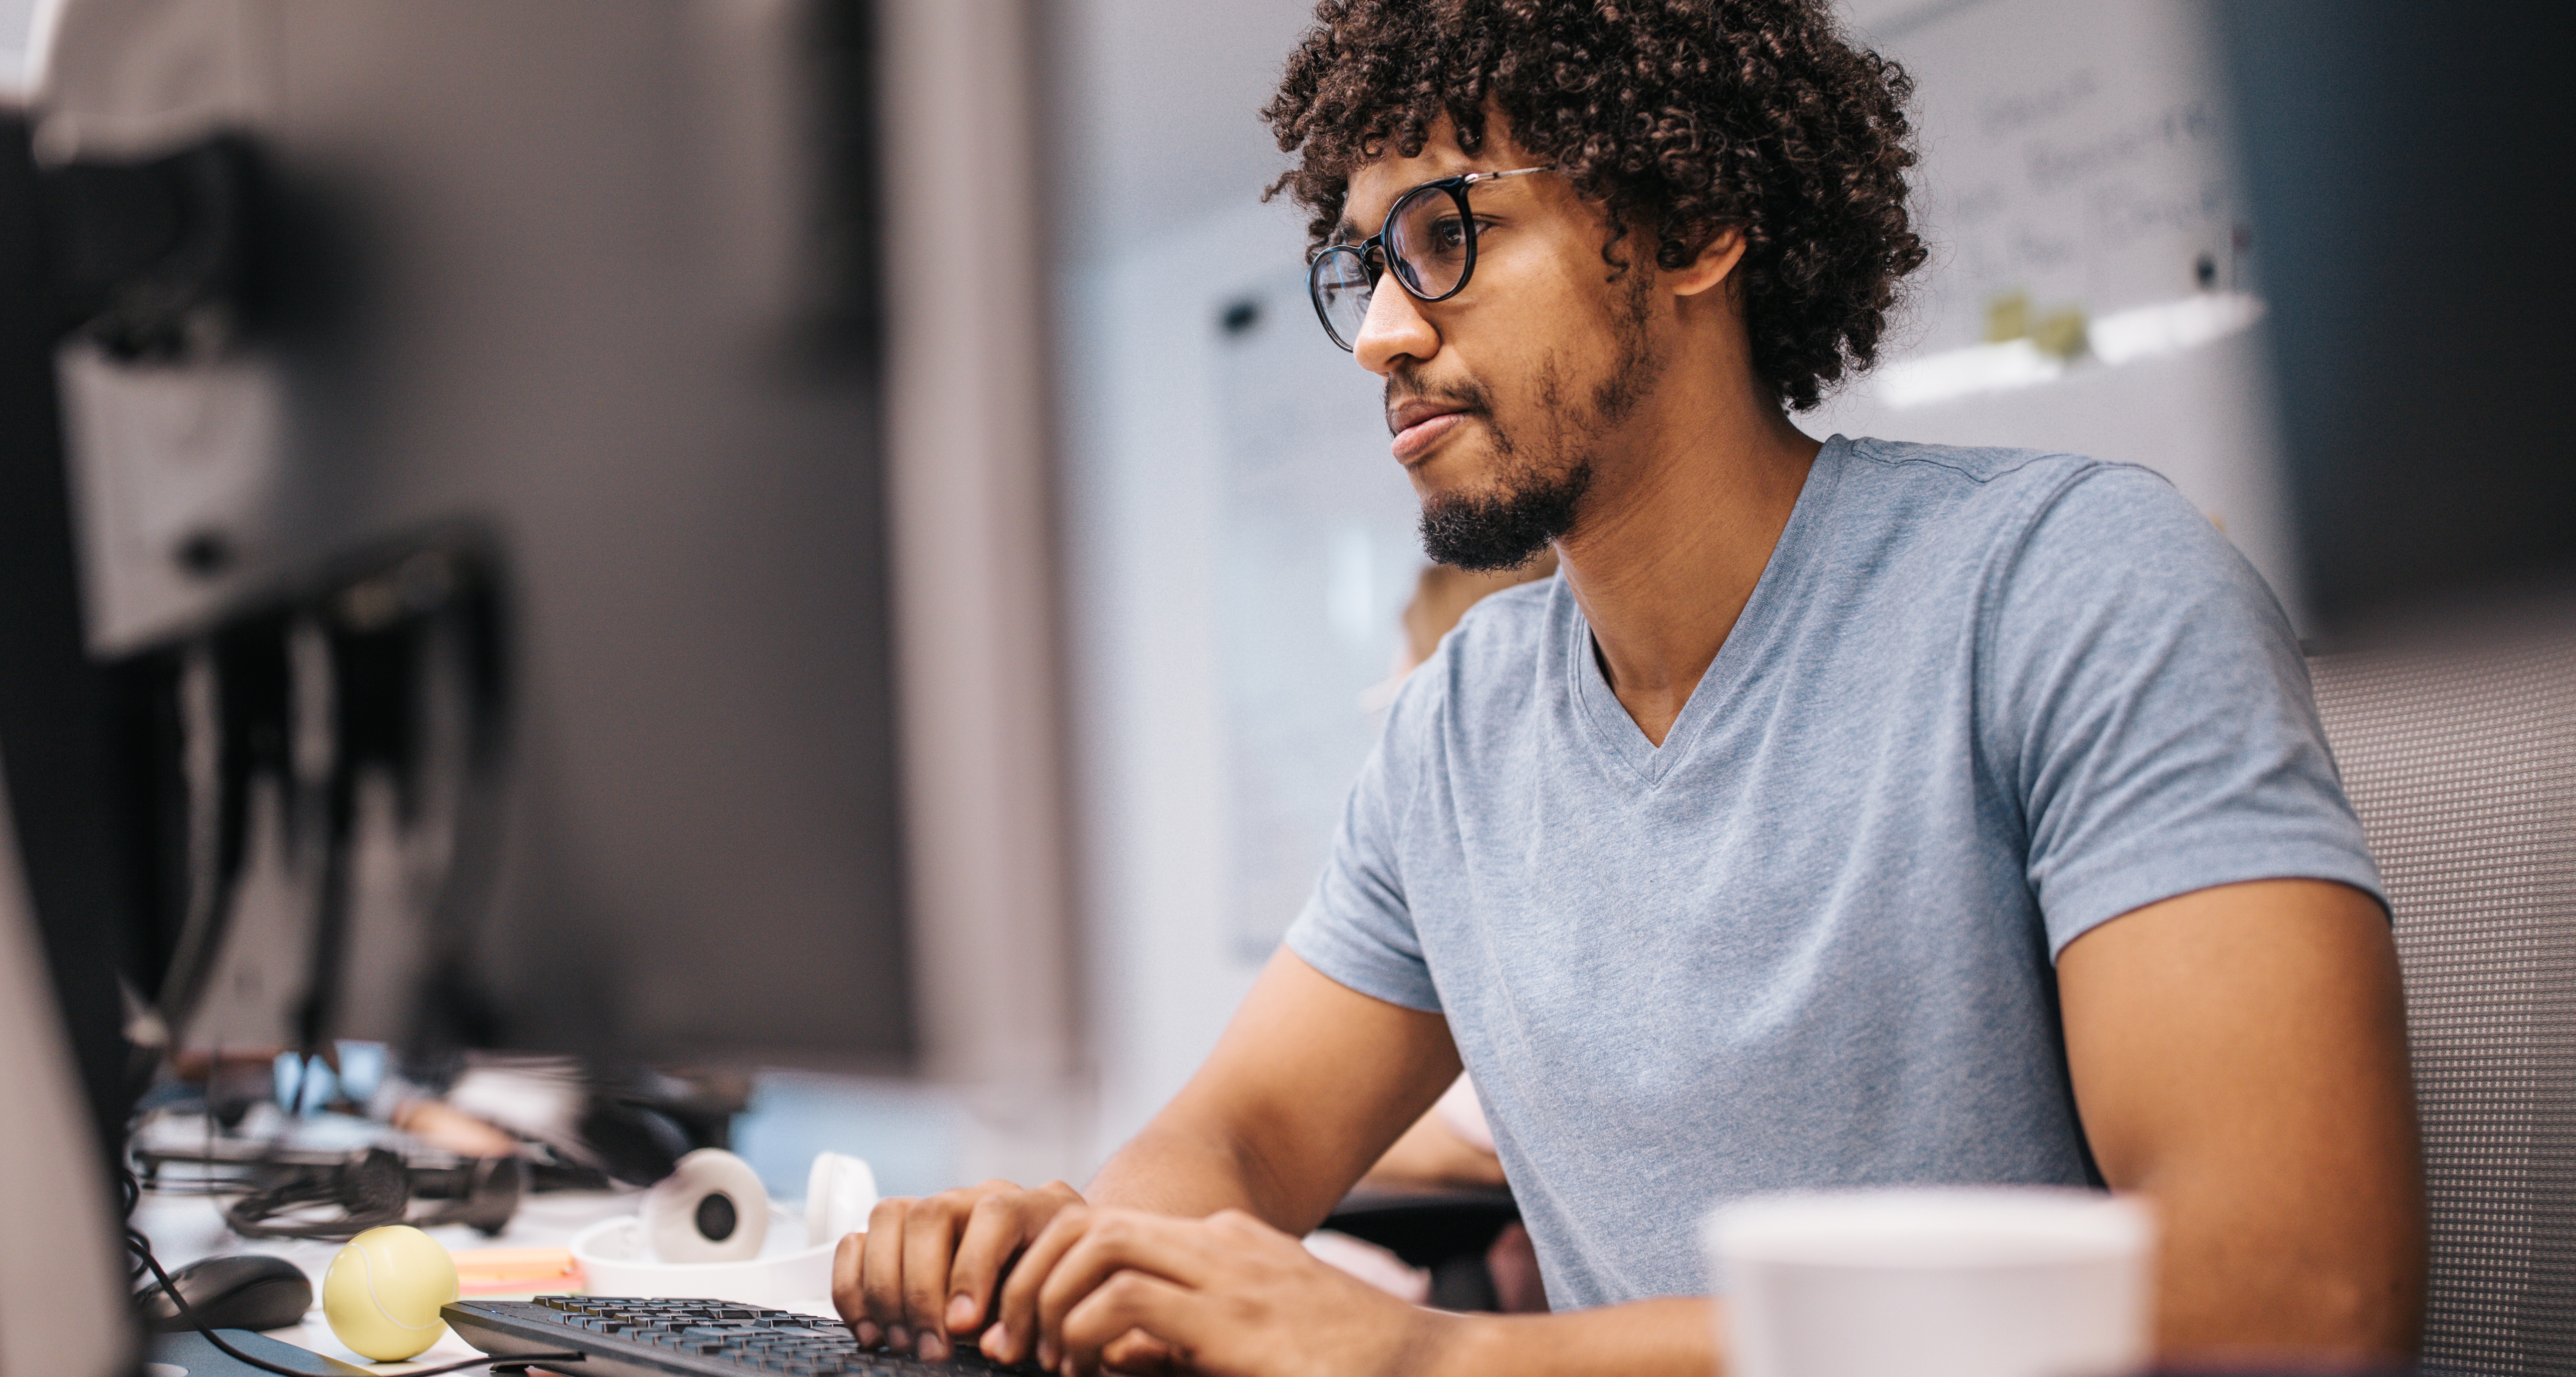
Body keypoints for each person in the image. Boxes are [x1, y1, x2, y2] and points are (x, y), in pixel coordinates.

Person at [834, 2, 2423, 1375]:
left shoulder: (2072, 588)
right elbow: (1234, 1143)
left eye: (1447, 234)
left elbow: (2293, 1293)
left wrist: (1439, 1355)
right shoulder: (1460, 729)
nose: (1380, 333)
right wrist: (1061, 1252)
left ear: (1691, 226)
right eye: (1362, 266)